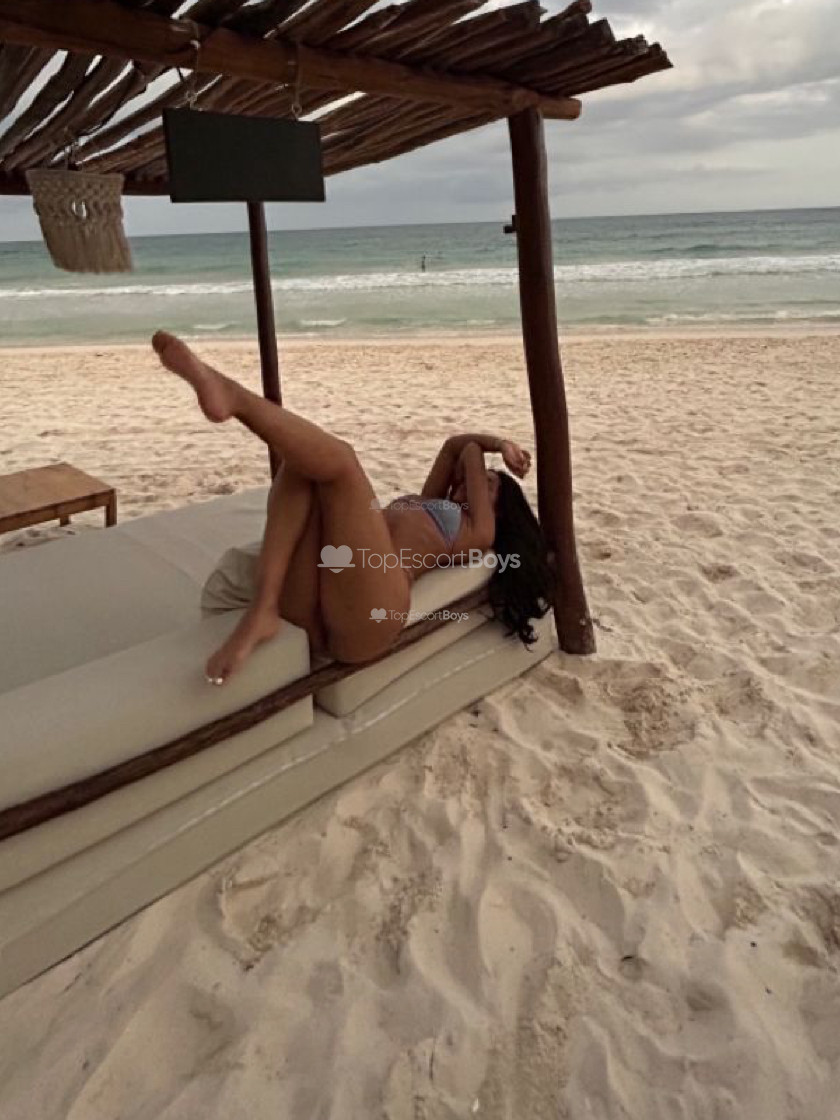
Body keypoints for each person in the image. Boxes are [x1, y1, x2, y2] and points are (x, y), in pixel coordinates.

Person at [152, 332, 554, 684]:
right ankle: (264, 608)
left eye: (488, 485)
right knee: (303, 463)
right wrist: (493, 449)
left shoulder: (476, 532)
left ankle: (235, 397)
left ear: (501, 510)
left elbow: (467, 450)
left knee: (342, 460)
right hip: (316, 594)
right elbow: (453, 447)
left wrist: (496, 448)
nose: (474, 481)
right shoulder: (430, 501)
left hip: (372, 612)